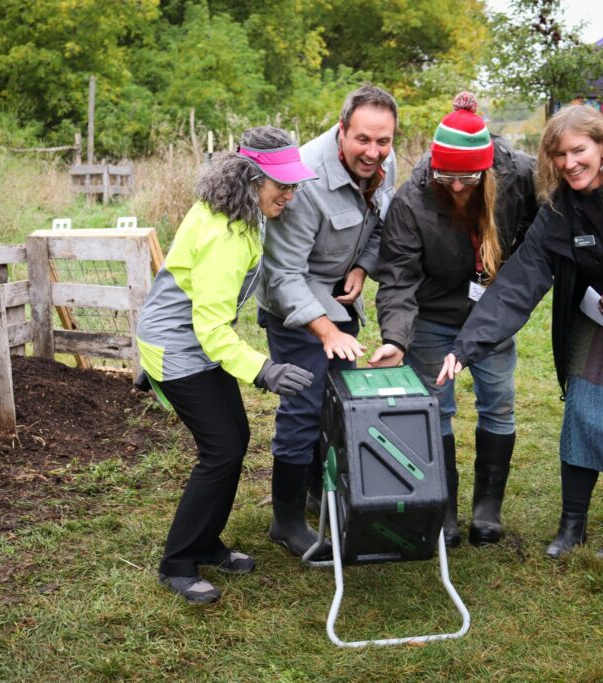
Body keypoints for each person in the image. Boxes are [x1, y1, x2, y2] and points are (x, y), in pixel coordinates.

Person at [437, 104, 603, 559]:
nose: (569, 163)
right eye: (558, 155)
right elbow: (518, 281)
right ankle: (572, 527)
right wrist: (466, 347)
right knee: (582, 410)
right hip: (598, 315)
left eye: (578, 150)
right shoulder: (559, 208)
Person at [136, 126, 318, 604]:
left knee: (234, 442)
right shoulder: (224, 235)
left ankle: (207, 544)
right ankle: (177, 562)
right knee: (219, 452)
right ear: (252, 178)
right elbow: (213, 328)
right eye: (282, 186)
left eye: (294, 185)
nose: (290, 195)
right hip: (179, 346)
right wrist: (264, 369)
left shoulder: (239, 212)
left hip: (197, 341)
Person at [369, 92, 538, 548]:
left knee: (498, 401)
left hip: (493, 312)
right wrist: (396, 339)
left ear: (486, 170)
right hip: (432, 315)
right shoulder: (413, 199)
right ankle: (442, 505)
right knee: (434, 406)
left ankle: (488, 507)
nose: (458, 187)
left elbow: (539, 238)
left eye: (468, 178)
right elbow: (398, 278)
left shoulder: (519, 176)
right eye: (448, 177)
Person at [256, 84, 397, 558]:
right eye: (363, 140)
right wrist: (326, 330)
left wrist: (362, 267)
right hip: (295, 304)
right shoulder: (305, 177)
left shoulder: (383, 163)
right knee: (301, 404)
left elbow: (381, 226)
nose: (374, 152)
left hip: (341, 297)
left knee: (334, 402)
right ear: (342, 130)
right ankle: (287, 521)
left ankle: (323, 492)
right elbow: (281, 274)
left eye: (383, 142)